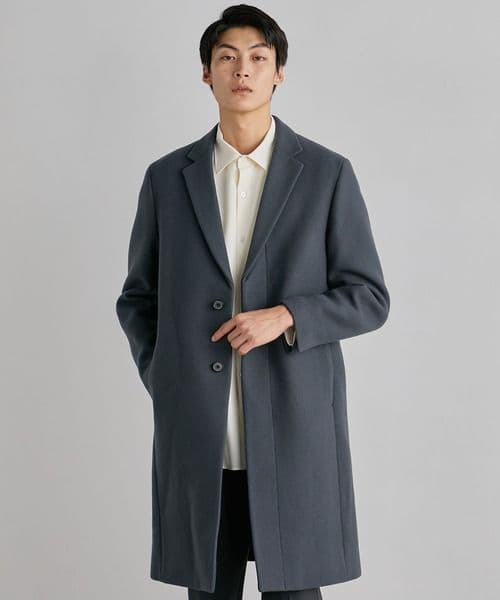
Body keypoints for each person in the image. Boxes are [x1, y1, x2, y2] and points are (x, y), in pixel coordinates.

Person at [116, 4, 390, 600]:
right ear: (206, 73)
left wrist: (288, 316)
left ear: (278, 72)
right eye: (227, 58)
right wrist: (166, 376)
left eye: (258, 58)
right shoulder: (167, 179)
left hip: (293, 434)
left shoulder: (326, 174)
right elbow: (138, 298)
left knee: (295, 593)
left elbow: (369, 296)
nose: (242, 70)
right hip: (202, 440)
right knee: (207, 591)